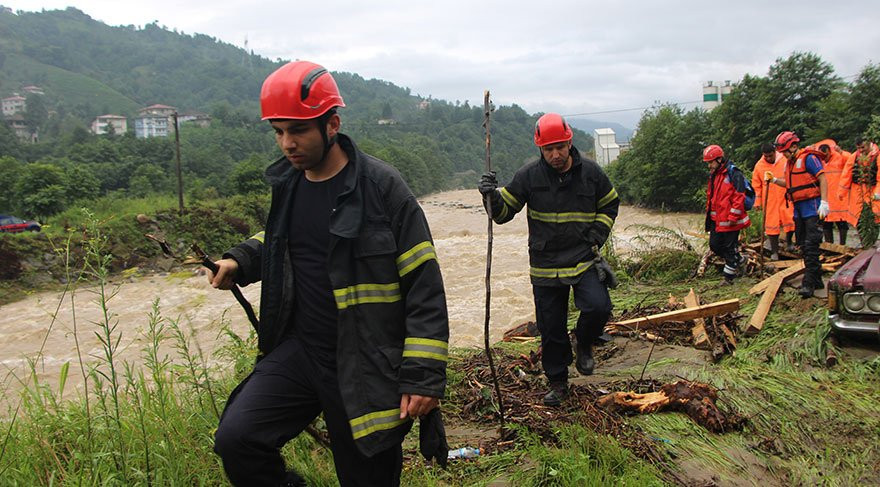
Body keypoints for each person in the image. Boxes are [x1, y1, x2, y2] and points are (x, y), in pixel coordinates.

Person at [208, 61, 449, 486]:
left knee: (367, 476)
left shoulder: (383, 188)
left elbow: (424, 285)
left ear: (332, 124)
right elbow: (283, 240)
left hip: (367, 363)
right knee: (237, 439)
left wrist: (424, 375)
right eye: (278, 132)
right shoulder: (288, 183)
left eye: (297, 130)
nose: (286, 143)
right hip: (301, 351)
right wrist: (241, 261)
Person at [478, 113, 618, 407]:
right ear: (540, 150)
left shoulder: (591, 173)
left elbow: (610, 204)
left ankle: (584, 342)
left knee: (599, 306)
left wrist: (596, 236)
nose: (555, 154)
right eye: (548, 149)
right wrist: (490, 196)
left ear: (569, 142)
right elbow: (503, 215)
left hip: (583, 258)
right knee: (551, 328)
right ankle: (558, 382)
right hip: (545, 265)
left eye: (559, 147)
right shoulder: (529, 176)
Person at [768, 131, 828, 298]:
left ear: (794, 146)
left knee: (810, 246)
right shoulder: (790, 163)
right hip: (799, 211)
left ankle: (808, 284)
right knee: (803, 245)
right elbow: (790, 184)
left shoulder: (809, 158)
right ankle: (817, 280)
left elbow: (822, 178)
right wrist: (774, 180)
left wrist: (825, 202)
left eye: (785, 151)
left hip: (813, 209)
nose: (784, 155)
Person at [703, 145, 750, 283]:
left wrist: (733, 216)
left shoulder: (734, 173)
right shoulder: (714, 175)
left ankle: (728, 277)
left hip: (731, 220)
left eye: (711, 162)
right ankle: (739, 260)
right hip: (717, 220)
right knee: (715, 245)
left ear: (719, 159)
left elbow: (739, 196)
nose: (709, 166)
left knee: (730, 247)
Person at [752, 143, 794, 259]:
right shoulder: (759, 166)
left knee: (789, 220)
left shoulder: (785, 160)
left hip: (785, 197)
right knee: (771, 224)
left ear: (775, 152)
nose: (769, 158)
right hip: (769, 200)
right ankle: (774, 251)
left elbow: (791, 178)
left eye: (771, 156)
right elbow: (756, 185)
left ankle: (789, 242)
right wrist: (757, 202)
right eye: (766, 156)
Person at [839, 137, 880, 232]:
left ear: (870, 143)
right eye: (858, 148)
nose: (861, 150)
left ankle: (874, 243)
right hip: (858, 193)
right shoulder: (854, 157)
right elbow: (846, 175)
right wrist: (841, 192)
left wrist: (878, 193)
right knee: (859, 220)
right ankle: (865, 243)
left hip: (873, 192)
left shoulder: (878, 156)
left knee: (875, 218)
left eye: (863, 147)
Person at [813, 140, 850, 244]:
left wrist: (841, 151)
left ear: (829, 151)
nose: (823, 157)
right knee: (826, 223)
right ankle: (829, 245)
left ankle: (843, 245)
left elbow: (850, 160)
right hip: (826, 198)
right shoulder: (819, 161)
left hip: (839, 198)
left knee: (842, 222)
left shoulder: (839, 157)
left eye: (824, 155)